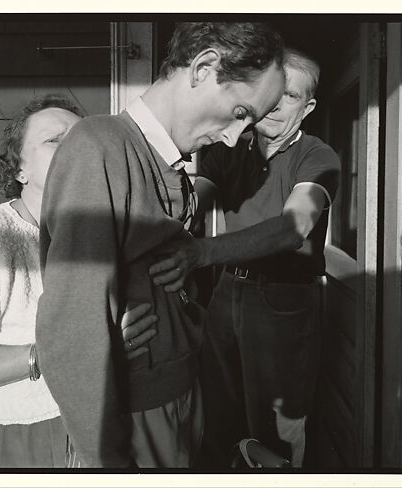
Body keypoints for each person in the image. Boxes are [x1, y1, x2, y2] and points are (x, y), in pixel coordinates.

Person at [35, 22, 285, 468]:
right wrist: (106, 462)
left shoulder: (166, 160)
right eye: (241, 112)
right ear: (205, 67)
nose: (232, 137)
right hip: (137, 415)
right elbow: (71, 329)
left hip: (178, 397)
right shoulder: (101, 148)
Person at [0, 95, 156, 468]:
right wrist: (66, 350)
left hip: (81, 432)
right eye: (54, 140)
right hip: (4, 444)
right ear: (20, 169)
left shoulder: (95, 231)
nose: (73, 149)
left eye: (81, 139)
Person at [149, 48, 341, 468]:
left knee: (276, 427)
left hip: (285, 301)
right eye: (271, 95)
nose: (274, 107)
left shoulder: (318, 157)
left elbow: (295, 227)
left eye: (290, 97)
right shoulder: (231, 146)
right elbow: (194, 200)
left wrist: (200, 251)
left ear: (307, 107)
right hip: (227, 289)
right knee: (219, 410)